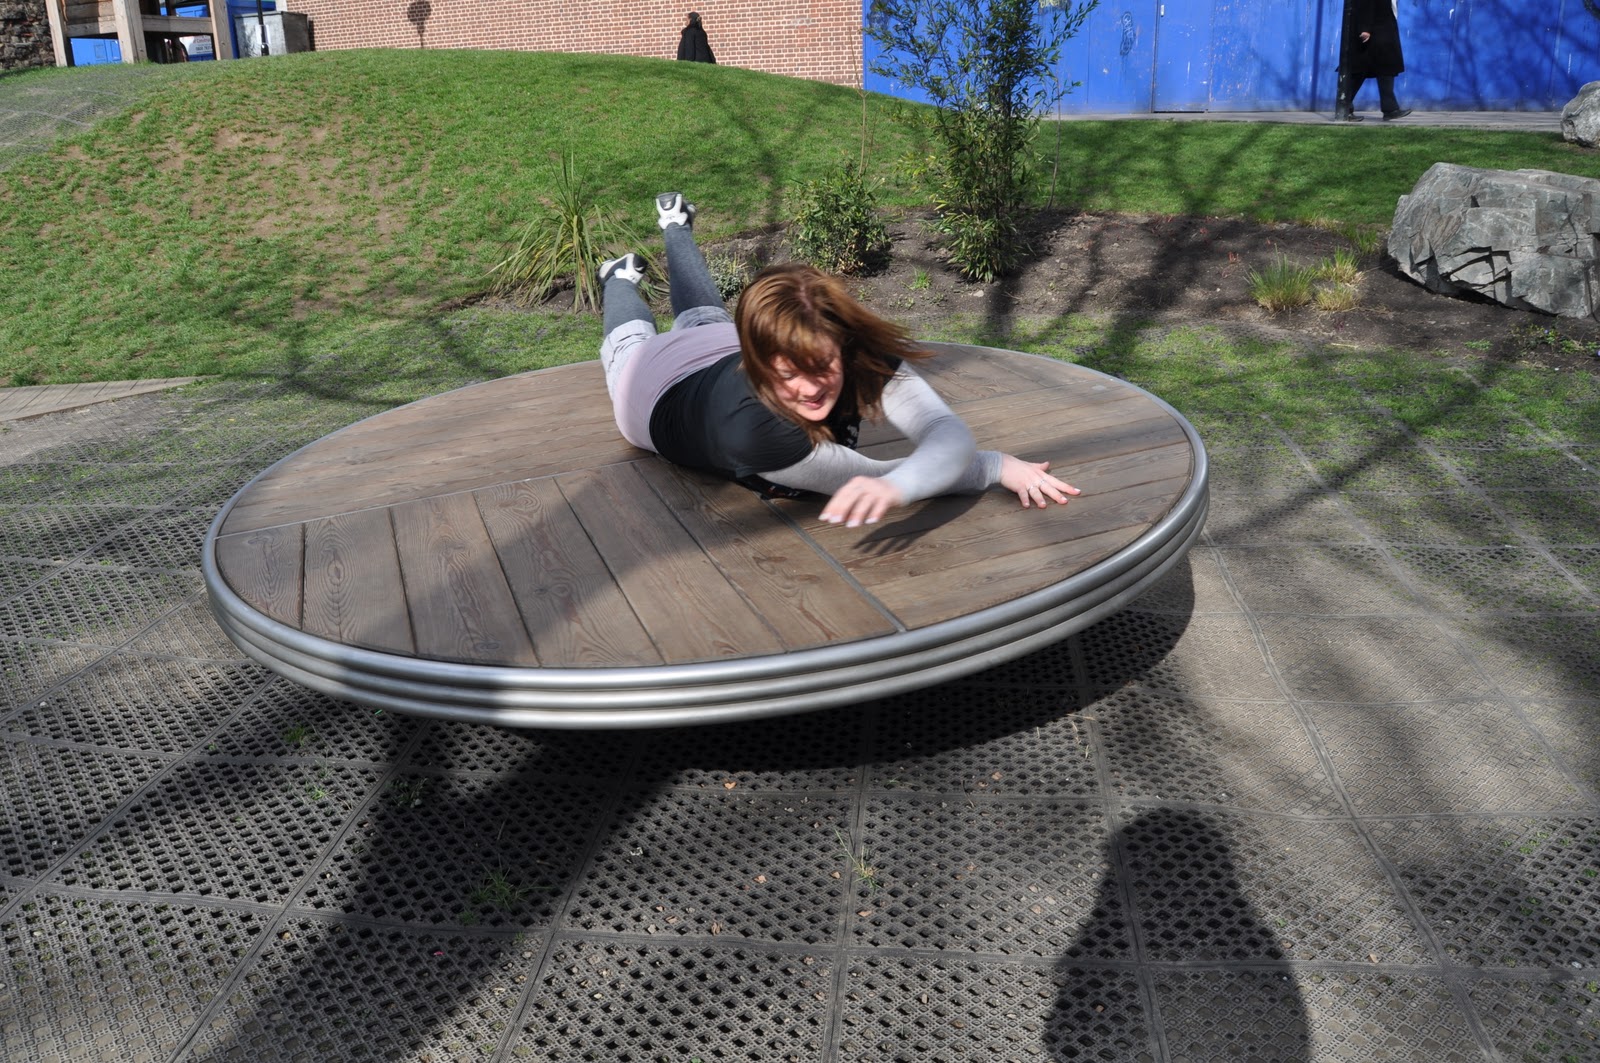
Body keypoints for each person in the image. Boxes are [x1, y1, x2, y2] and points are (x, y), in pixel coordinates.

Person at [596, 193, 1080, 529]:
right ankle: (618, 278)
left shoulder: (829, 347)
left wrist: (993, 462)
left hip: (721, 349)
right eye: (789, 376)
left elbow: (942, 429)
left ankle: (675, 225)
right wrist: (991, 467)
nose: (810, 389)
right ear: (760, 362)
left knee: (706, 318)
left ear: (841, 344)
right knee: (632, 337)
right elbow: (870, 477)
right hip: (651, 388)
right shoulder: (754, 432)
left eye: (822, 366)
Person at [1334, 0, 1410, 122]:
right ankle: (1344, 108)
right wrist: (1365, 28)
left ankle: (1390, 109)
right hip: (1375, 31)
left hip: (1383, 30)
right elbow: (1365, 4)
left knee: (1386, 68)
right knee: (1359, 70)